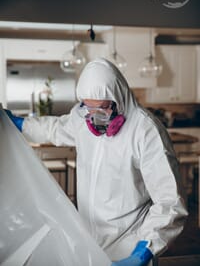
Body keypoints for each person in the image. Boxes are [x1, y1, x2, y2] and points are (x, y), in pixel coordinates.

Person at [6, 58, 188, 266]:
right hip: (90, 240)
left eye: (101, 110)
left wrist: (144, 250)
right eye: (88, 109)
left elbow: (170, 201)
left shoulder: (145, 131)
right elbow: (56, 128)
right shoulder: (83, 119)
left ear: (118, 100)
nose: (94, 118)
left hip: (130, 241)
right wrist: (20, 124)